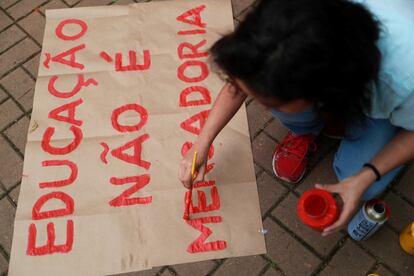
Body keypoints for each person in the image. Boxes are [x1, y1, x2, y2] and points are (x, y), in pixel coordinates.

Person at [178, 0, 414, 236]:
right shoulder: (287, 20)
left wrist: (366, 175)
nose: (260, 105)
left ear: (323, 92)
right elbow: (245, 79)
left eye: (268, 102)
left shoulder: (405, 79)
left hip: (392, 96)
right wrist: (202, 143)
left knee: (361, 183)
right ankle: (307, 130)